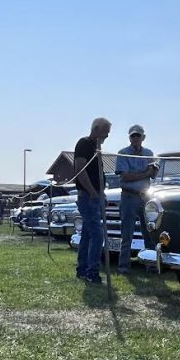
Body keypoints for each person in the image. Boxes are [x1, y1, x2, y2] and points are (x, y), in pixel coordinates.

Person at [115, 124, 158, 274]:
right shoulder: (123, 153)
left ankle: (151, 264)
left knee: (150, 232)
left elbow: (153, 174)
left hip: (145, 197)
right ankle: (124, 266)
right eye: (132, 135)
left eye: (137, 135)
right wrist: (145, 173)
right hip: (128, 196)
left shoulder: (149, 153)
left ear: (143, 137)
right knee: (127, 233)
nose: (135, 138)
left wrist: (148, 172)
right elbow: (125, 176)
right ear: (129, 137)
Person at [74, 117, 112, 283]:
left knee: (88, 235)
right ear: (97, 129)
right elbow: (80, 171)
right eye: (106, 132)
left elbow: (98, 174)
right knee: (97, 234)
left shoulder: (97, 149)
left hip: (95, 196)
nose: (107, 136)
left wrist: (101, 193)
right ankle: (92, 272)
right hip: (87, 197)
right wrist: (92, 192)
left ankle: (82, 269)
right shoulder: (84, 144)